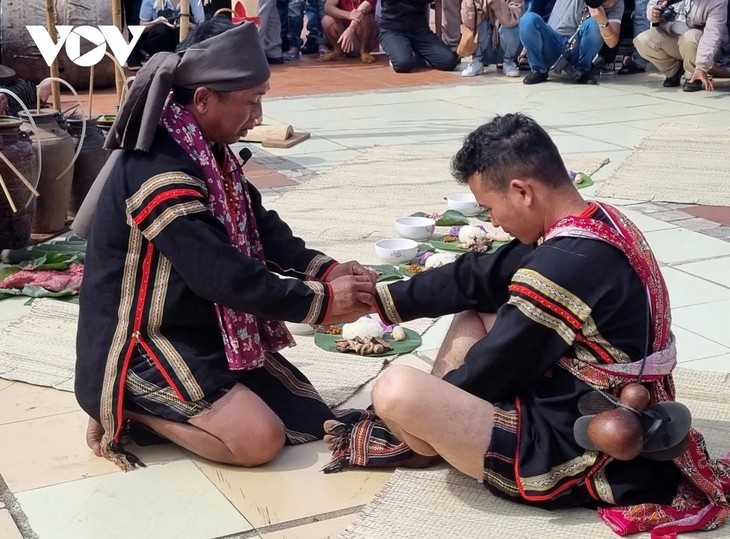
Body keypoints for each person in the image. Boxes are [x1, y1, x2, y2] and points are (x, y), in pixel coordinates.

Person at [323, 114, 730, 537]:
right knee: (475, 307)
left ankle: (424, 441)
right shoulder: (595, 220)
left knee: (396, 390)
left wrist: (428, 411)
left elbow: (496, 369)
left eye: (491, 207)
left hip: (580, 439)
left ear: (522, 192)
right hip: (591, 390)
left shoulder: (564, 264)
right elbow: (480, 275)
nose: (494, 220)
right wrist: (382, 300)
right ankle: (431, 430)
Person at [76, 19, 377, 471]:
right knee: (258, 440)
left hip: (198, 328)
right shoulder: (161, 173)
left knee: (309, 417)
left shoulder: (205, 150)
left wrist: (324, 269)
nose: (258, 116)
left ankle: (170, 405)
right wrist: (321, 303)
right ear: (203, 99)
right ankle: (126, 409)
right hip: (141, 342)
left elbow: (260, 224)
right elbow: (222, 276)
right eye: (252, 102)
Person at [518, 0, 624, 84]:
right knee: (527, 20)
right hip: (552, 42)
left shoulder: (616, 3)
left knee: (596, 24)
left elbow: (612, 43)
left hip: (578, 49)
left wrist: (602, 19)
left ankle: (583, 70)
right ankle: (538, 69)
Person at [634, 0, 728, 92]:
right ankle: (673, 71)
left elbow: (712, 36)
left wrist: (701, 67)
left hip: (698, 45)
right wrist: (653, 14)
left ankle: (693, 74)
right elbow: (653, 4)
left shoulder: (718, 2)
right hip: (672, 38)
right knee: (642, 40)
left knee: (690, 37)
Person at [379, 0, 460, 72]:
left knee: (449, 61)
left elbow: (437, 3)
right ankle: (402, 53)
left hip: (420, 30)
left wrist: (438, 36)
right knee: (403, 64)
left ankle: (413, 54)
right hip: (392, 30)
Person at [129, 0, 206, 68]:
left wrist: (187, 24)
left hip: (184, 41)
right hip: (161, 41)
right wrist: (158, 21)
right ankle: (159, 62)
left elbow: (202, 26)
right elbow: (142, 27)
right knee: (161, 31)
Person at [458, 0, 525, 77]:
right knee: (480, 24)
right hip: (484, 50)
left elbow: (511, 20)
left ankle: (509, 63)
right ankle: (476, 61)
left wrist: (497, 3)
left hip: (505, 49)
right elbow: (469, 24)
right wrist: (469, 5)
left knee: (510, 28)